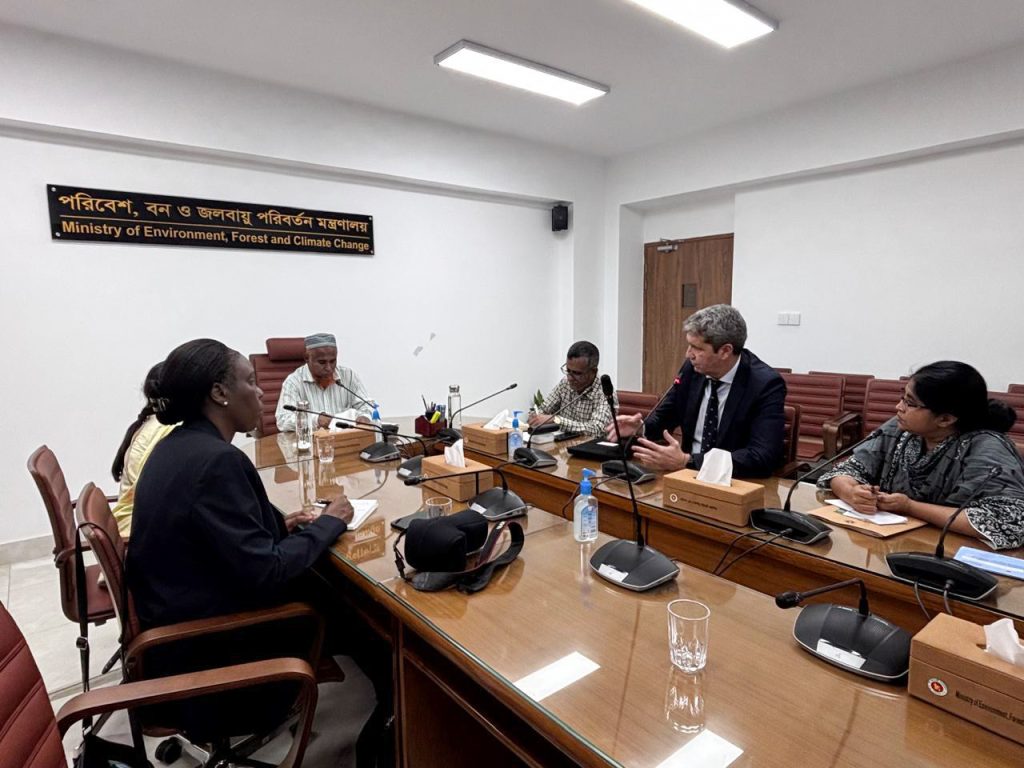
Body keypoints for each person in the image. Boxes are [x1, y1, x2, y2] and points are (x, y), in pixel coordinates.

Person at [126, 339, 379, 752]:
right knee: (353, 601)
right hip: (210, 650)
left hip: (175, 629)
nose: (262, 391)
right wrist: (330, 522)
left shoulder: (176, 446)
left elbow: (215, 536)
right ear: (219, 393)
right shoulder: (217, 462)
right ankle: (389, 710)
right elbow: (268, 571)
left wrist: (279, 523)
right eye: (250, 381)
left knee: (325, 574)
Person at [818, 361, 1024, 549]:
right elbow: (847, 470)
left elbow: (1008, 521)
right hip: (890, 542)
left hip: (952, 553)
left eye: (910, 403)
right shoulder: (899, 428)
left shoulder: (986, 448)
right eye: (902, 397)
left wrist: (910, 507)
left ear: (945, 419)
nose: (898, 407)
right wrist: (851, 492)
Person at [607, 304, 786, 477]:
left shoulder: (765, 385)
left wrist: (688, 461)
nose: (688, 354)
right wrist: (640, 428)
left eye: (697, 348)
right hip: (684, 476)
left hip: (735, 482)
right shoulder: (692, 370)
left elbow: (762, 456)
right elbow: (666, 415)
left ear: (725, 351)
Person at [109, 362, 176, 537]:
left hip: (136, 523)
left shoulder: (150, 423)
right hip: (137, 532)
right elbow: (154, 493)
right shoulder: (166, 430)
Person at [275, 332, 373, 432]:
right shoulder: (293, 382)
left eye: (332, 361)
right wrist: (316, 420)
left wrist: (365, 417)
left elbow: (368, 407)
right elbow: (283, 420)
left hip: (345, 440)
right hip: (312, 443)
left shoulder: (349, 376)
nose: (329, 368)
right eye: (322, 362)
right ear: (307, 358)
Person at [528, 340, 615, 436]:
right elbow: (544, 409)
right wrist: (535, 417)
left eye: (577, 373)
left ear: (593, 372)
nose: (570, 378)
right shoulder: (565, 383)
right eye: (568, 371)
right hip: (562, 444)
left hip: (590, 448)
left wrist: (556, 420)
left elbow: (597, 429)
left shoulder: (605, 393)